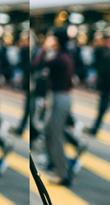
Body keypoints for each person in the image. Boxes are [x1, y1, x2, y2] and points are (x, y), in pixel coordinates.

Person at [38, 27, 77, 185]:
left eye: (51, 37)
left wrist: (44, 48)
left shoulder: (59, 58)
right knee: (49, 131)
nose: (48, 40)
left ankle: (63, 174)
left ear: (58, 40)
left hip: (59, 98)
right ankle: (55, 162)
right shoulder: (64, 56)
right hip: (58, 97)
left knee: (56, 136)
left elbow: (38, 63)